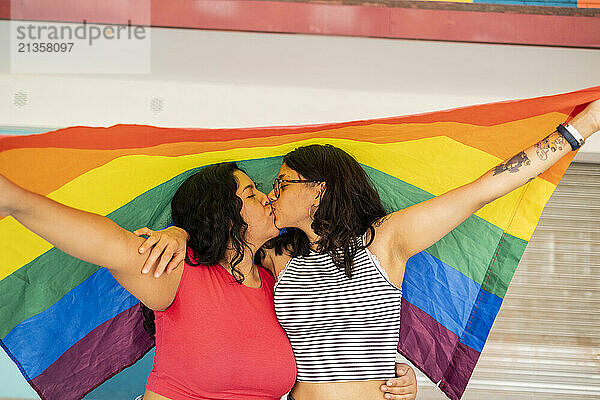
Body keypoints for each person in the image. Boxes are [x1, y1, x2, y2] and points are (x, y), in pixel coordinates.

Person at [135, 100, 600, 400]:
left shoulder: (384, 241)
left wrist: (583, 127)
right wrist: (178, 234)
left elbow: (482, 190)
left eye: (281, 184)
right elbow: (219, 236)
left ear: (318, 190)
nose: (271, 196)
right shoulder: (279, 258)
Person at [0, 162, 416, 400]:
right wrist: (16, 201)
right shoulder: (182, 270)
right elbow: (106, 244)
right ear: (225, 212)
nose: (269, 199)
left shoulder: (283, 287)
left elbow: (337, 345)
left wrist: (386, 377)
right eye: (253, 194)